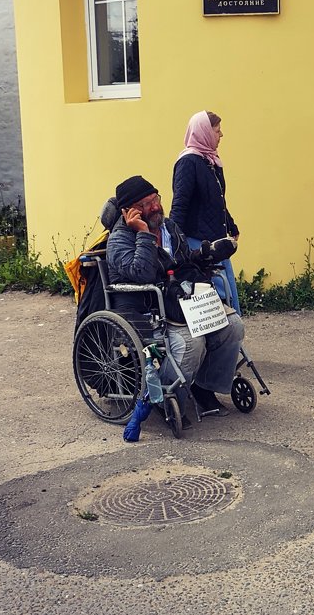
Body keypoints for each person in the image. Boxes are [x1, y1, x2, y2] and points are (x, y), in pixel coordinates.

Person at [106, 174, 242, 426]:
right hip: (145, 309)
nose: (155, 207)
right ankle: (164, 396)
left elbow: (181, 262)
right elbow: (142, 273)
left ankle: (203, 387)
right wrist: (144, 234)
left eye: (155, 199)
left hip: (177, 302)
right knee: (192, 342)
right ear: (129, 212)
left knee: (232, 327)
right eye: (145, 205)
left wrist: (205, 254)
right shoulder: (119, 240)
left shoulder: (169, 227)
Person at [170, 111, 242, 314]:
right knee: (211, 296)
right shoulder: (188, 163)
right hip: (198, 242)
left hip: (216, 241)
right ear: (204, 132)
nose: (221, 135)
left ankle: (230, 341)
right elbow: (180, 204)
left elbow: (217, 199)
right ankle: (218, 341)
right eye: (217, 131)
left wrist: (230, 223)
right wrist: (176, 243)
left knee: (226, 292)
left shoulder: (210, 161)